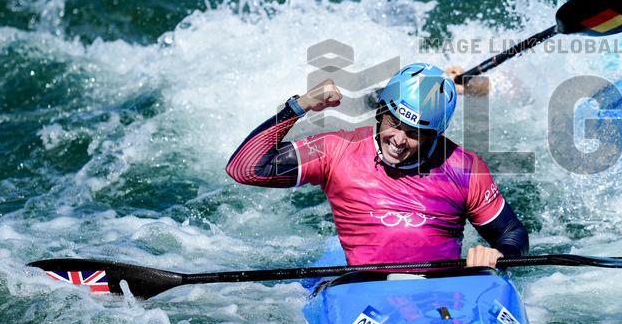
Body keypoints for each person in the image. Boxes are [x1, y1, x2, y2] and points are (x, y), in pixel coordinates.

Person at [225, 63, 528, 267]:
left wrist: (499, 254)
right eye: (393, 125)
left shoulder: (463, 167)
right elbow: (246, 168)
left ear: (437, 134)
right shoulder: (336, 150)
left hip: (441, 289)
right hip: (362, 288)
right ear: (380, 111)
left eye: (414, 134)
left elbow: (512, 231)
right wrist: (300, 105)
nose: (398, 140)